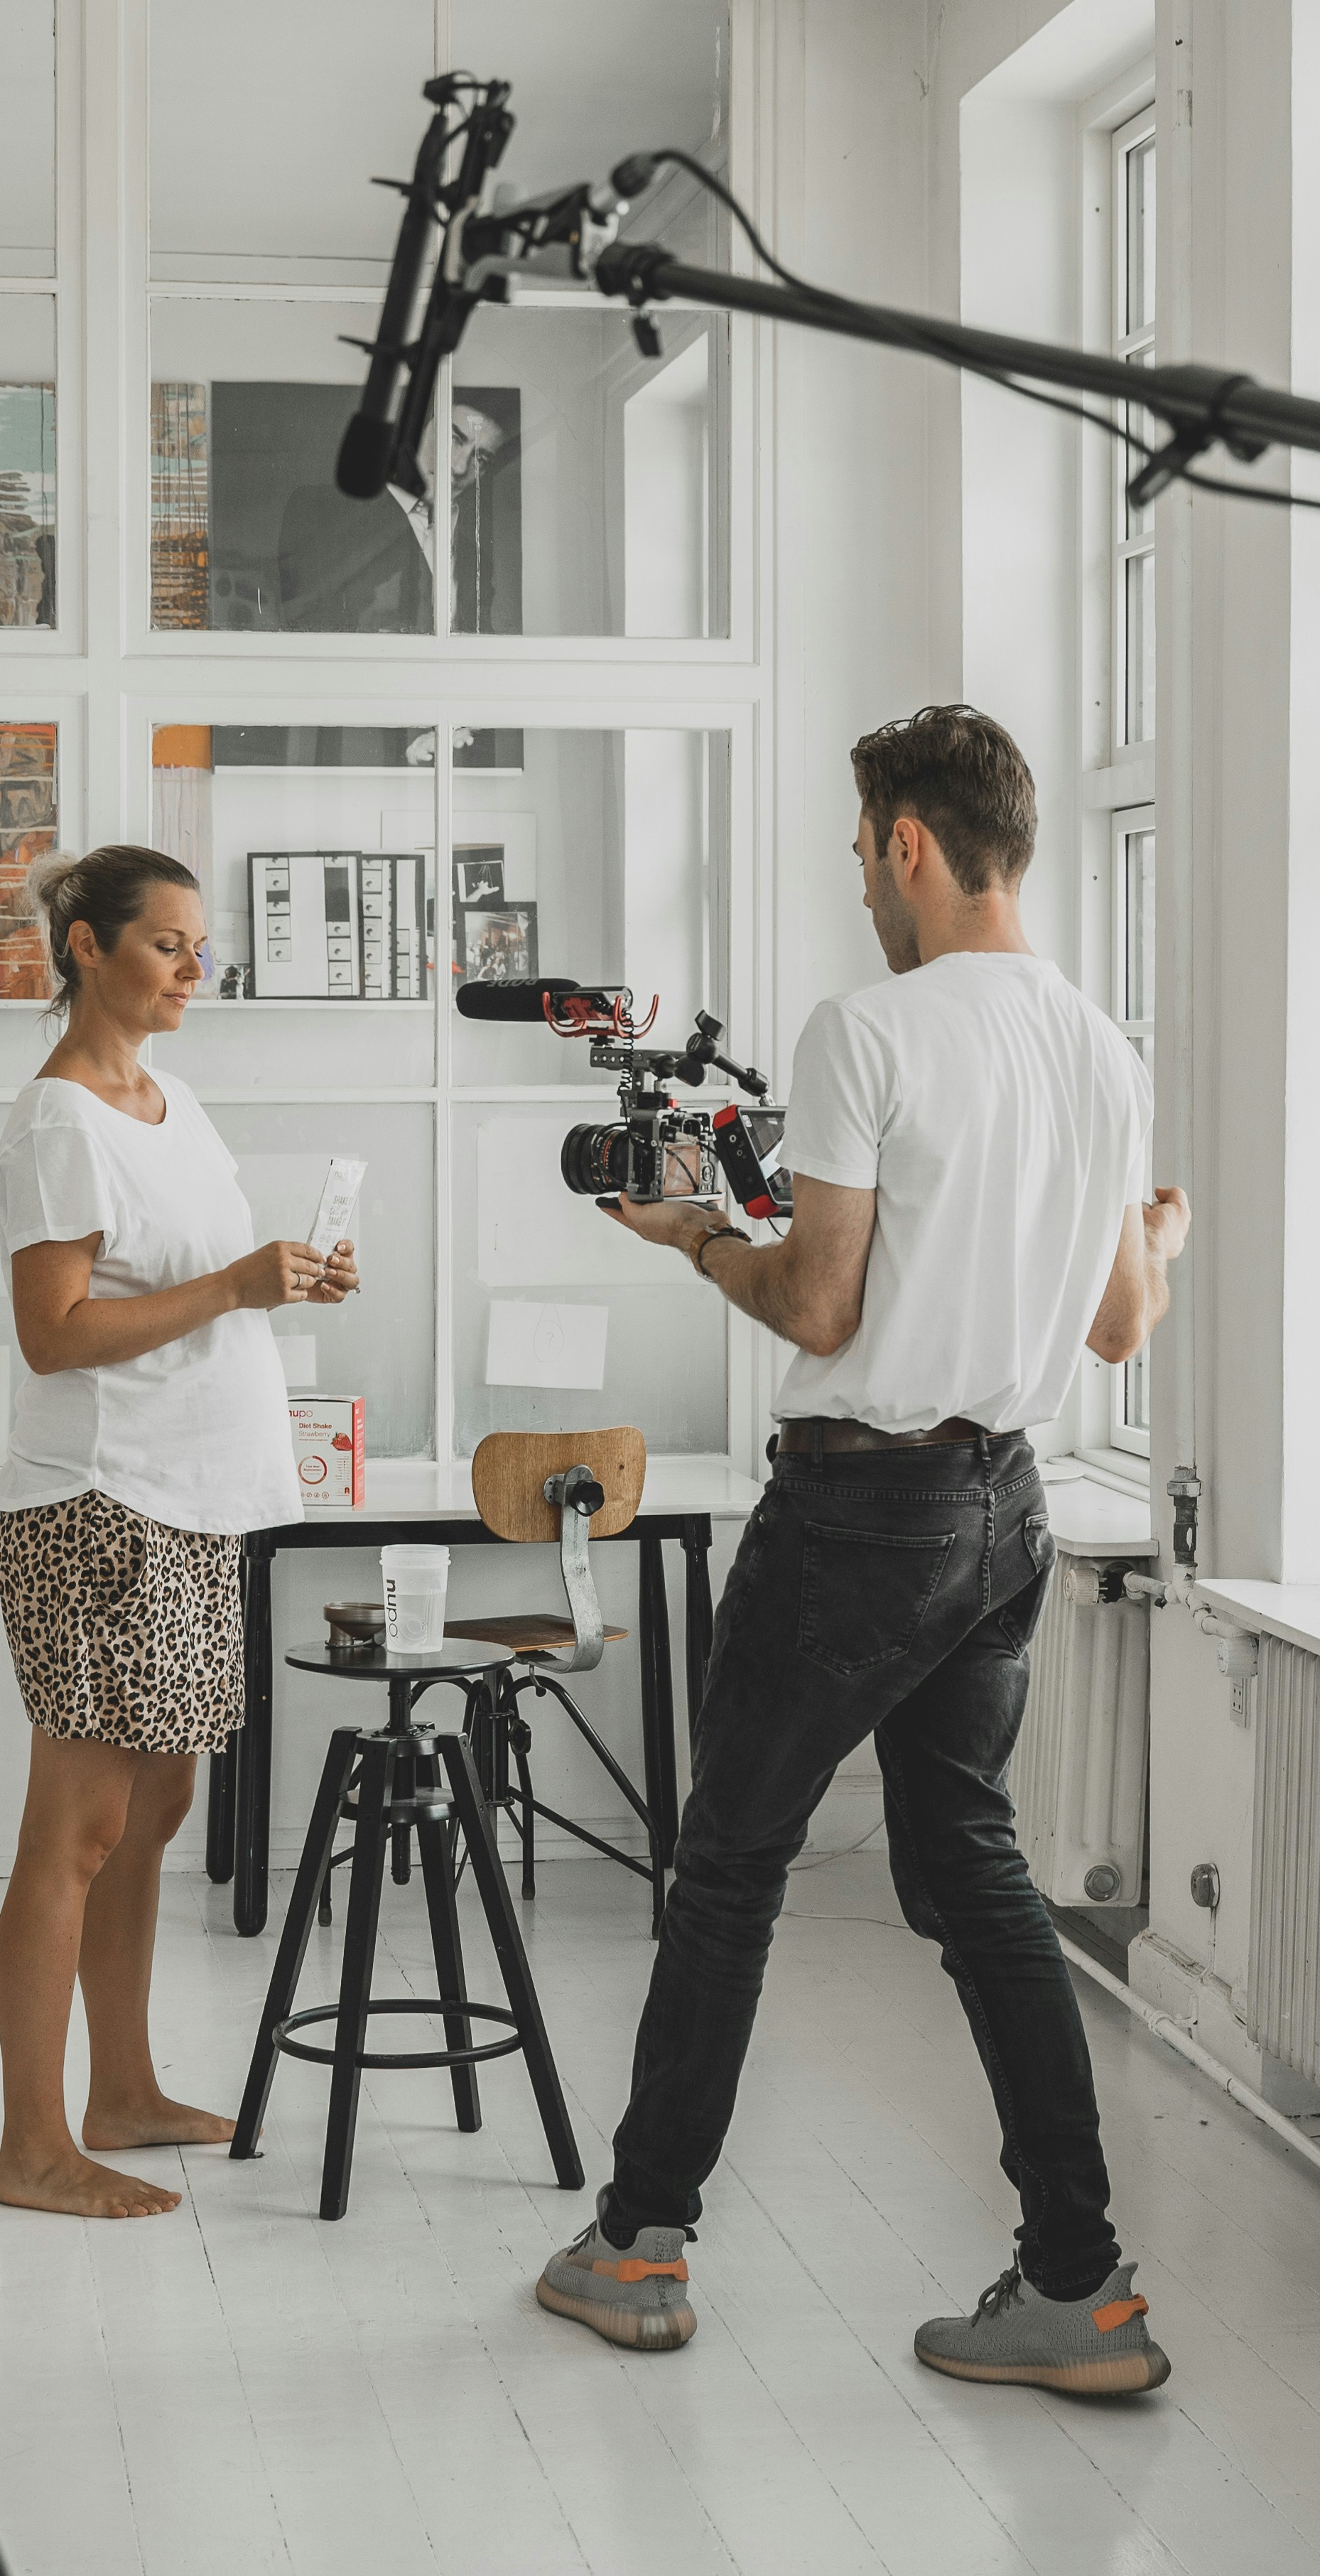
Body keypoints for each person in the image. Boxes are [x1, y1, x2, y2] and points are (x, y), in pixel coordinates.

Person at [534, 705, 1189, 2393]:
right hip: (1005, 1507)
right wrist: (1161, 1237)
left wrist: (692, 1236)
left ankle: (638, 2244)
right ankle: (1079, 2282)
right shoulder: (1103, 1047)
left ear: (906, 838)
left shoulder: (866, 1027)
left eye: (855, 853)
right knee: (973, 1874)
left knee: (727, 1862)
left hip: (858, 1509)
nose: (855, 885)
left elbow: (816, 1302)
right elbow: (1121, 1319)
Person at [0, 844, 359, 2219]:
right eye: (167, 944)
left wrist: (283, 1275)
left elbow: (201, 1283)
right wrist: (234, 1283)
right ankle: (32, 2144)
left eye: (202, 948)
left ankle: (123, 2088)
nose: (194, 967)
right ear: (85, 946)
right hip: (101, 1506)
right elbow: (55, 1328)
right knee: (77, 1829)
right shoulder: (60, 1121)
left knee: (156, 1810)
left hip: (193, 1504)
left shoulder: (169, 1100)